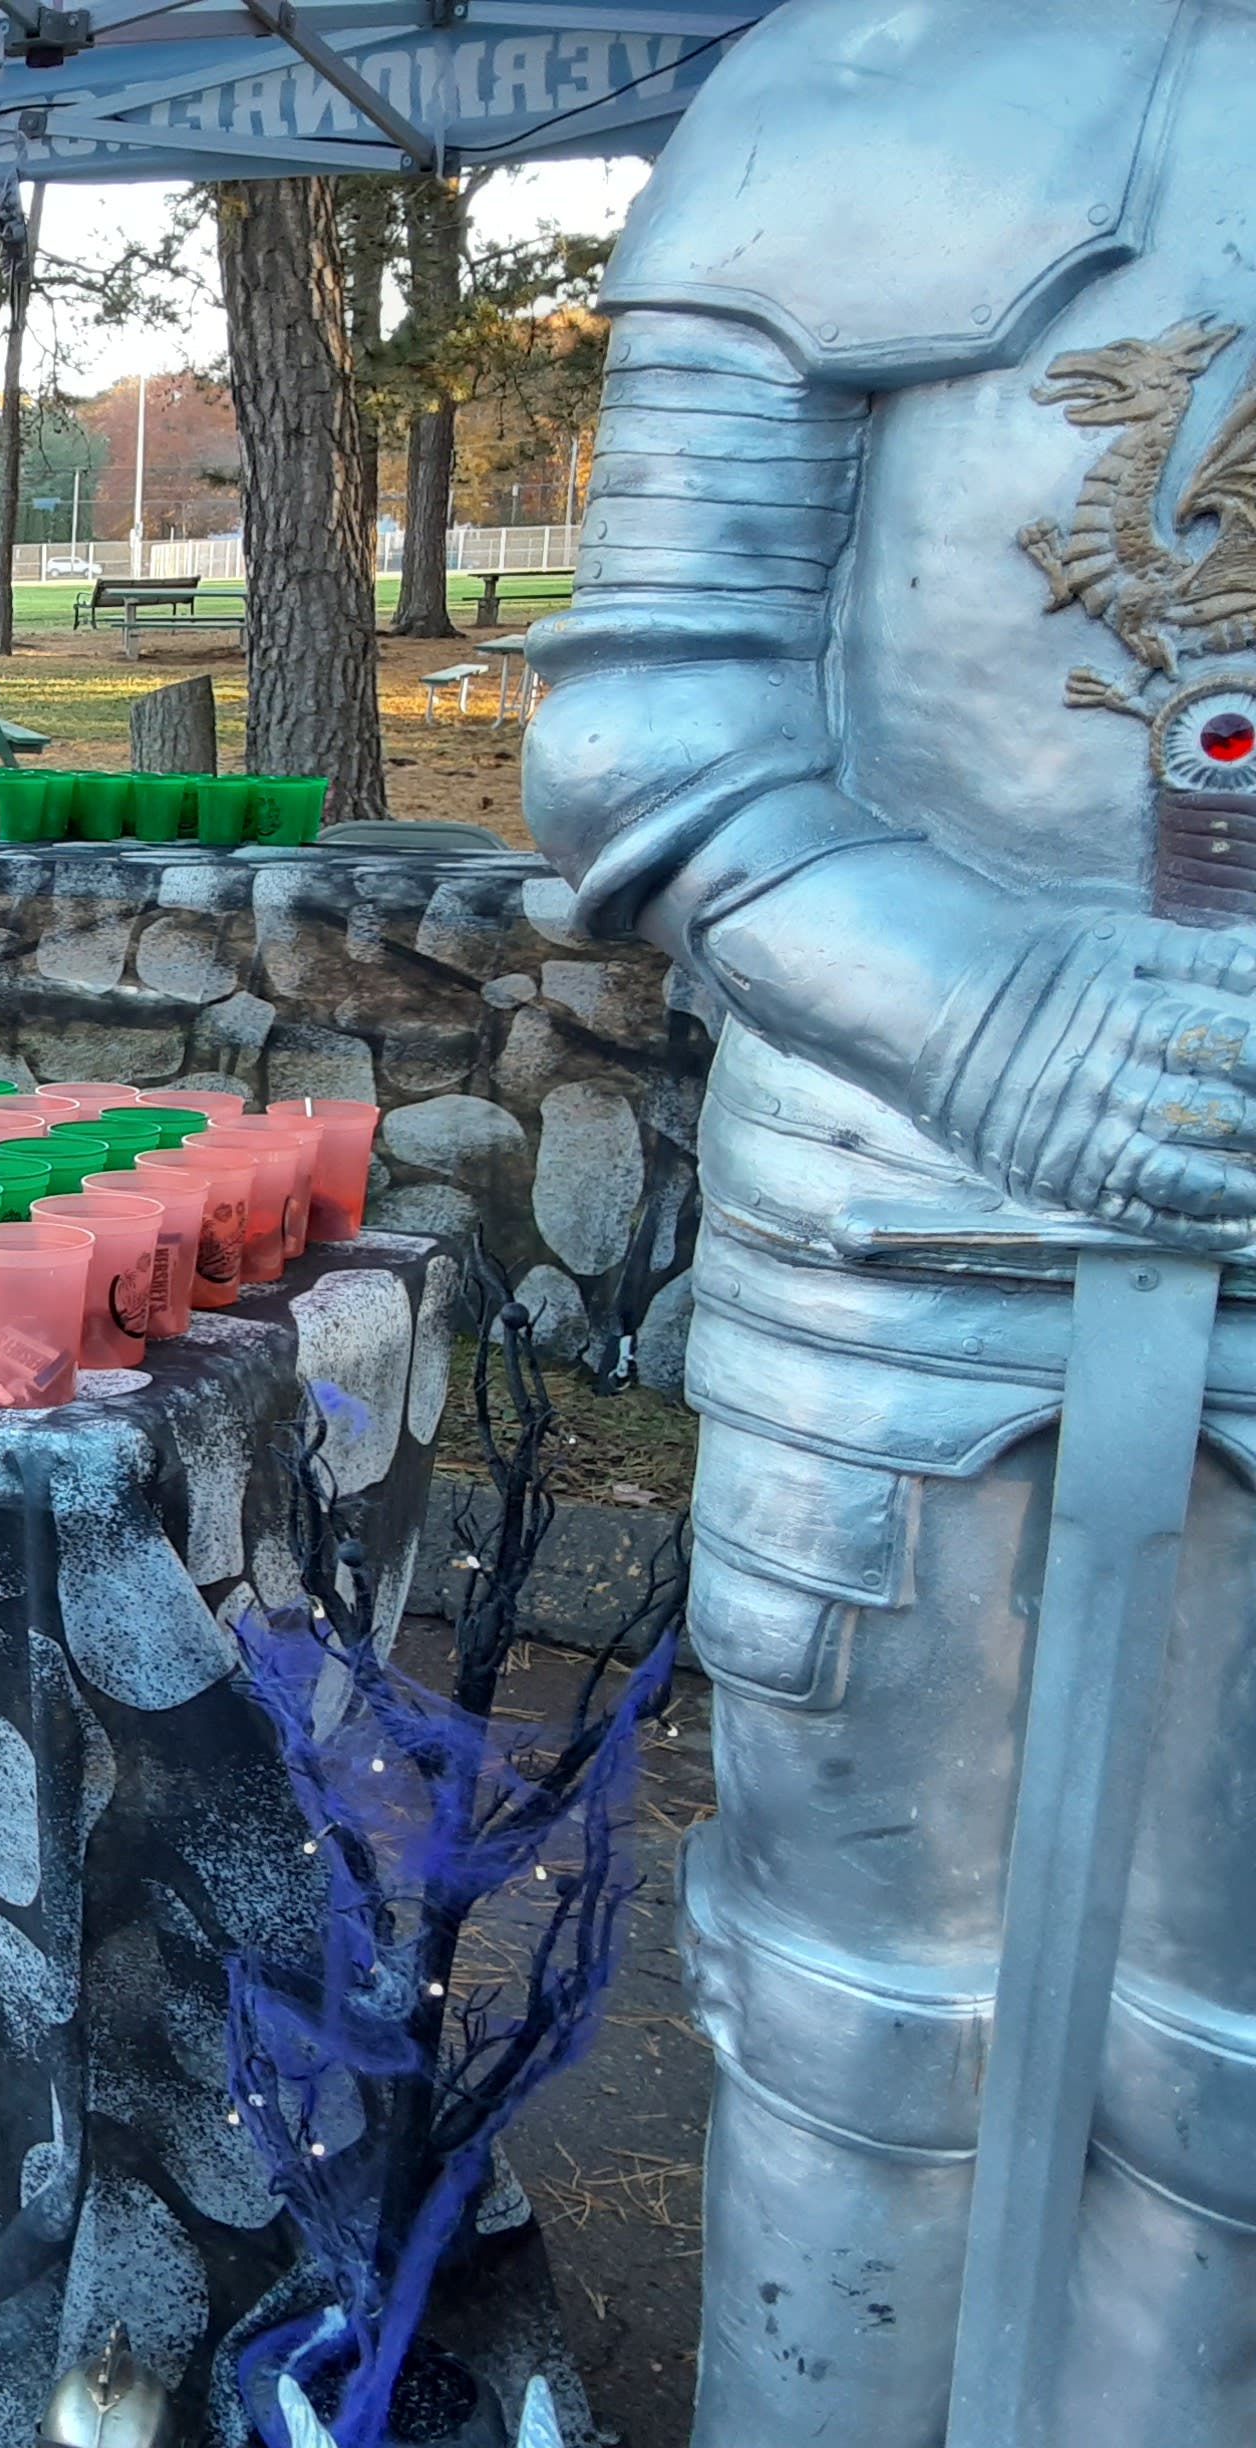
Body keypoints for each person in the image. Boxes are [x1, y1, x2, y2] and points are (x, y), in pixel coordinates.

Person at [521, 6, 1256, 2442]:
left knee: (1235, 2055)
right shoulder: (848, 83)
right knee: (862, 2008)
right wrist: (1000, 1020)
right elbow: (646, 727)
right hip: (898, 1220)